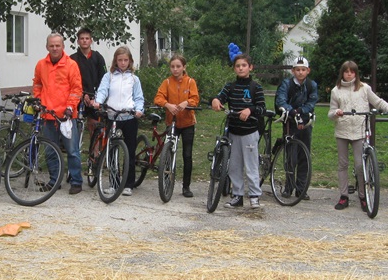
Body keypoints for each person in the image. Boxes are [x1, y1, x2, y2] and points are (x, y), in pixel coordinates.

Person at [328, 61, 388, 211]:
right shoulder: (336, 91)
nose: (349, 74)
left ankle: (363, 195)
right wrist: (336, 113)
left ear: (356, 73)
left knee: (360, 165)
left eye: (352, 72)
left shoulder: (364, 88)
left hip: (359, 131)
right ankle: (344, 196)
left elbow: (378, 102)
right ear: (342, 73)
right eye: (346, 72)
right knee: (342, 164)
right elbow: (331, 113)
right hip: (342, 131)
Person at [211, 53, 266, 210]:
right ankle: (237, 195)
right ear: (234, 68)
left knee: (251, 165)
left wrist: (250, 110)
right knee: (234, 165)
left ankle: (254, 196)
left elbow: (262, 108)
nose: (241, 68)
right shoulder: (230, 87)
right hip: (233, 132)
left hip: (249, 132)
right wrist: (215, 101)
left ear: (250, 67)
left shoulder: (256, 87)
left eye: (244, 65)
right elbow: (220, 97)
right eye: (238, 66)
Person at [33, 32, 83, 194]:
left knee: (72, 151)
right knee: (50, 151)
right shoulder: (41, 65)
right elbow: (37, 85)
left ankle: (76, 181)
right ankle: (54, 181)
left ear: (63, 46)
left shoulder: (71, 65)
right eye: (52, 45)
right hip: (48, 115)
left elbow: (76, 89)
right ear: (47, 47)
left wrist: (70, 107)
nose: (55, 48)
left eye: (57, 45)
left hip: (67, 116)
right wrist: (38, 101)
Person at [92, 46, 145, 196]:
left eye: (125, 60)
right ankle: (113, 183)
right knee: (112, 150)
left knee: (129, 150)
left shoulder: (134, 79)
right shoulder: (109, 76)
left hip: (129, 117)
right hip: (113, 117)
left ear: (130, 61)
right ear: (115, 61)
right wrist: (98, 101)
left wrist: (139, 110)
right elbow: (103, 90)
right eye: (120, 60)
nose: (122, 63)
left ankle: (128, 184)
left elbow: (139, 98)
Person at [153, 54, 200, 198]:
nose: (175, 69)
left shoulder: (190, 82)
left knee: (187, 154)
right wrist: (167, 104)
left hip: (187, 123)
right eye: (172, 66)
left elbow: (195, 99)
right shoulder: (167, 82)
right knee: (168, 152)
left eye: (178, 66)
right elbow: (158, 97)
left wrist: (187, 102)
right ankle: (166, 181)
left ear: (184, 67)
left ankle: (186, 186)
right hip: (172, 122)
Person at [274, 56, 319, 199]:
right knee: (291, 156)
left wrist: (302, 111)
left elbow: (312, 102)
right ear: (293, 71)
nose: (300, 72)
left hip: (305, 122)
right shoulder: (286, 84)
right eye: (297, 70)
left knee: (304, 156)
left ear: (308, 71)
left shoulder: (312, 85)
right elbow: (281, 100)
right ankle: (289, 187)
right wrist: (291, 111)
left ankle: (301, 189)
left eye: (303, 70)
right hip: (290, 122)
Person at [70, 27, 107, 139]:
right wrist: (81, 94)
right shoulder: (72, 59)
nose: (84, 41)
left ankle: (94, 149)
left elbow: (104, 79)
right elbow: (70, 81)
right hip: (78, 97)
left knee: (95, 127)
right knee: (74, 127)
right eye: (82, 38)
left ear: (91, 41)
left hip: (94, 98)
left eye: (87, 38)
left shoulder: (98, 57)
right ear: (78, 41)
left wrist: (96, 98)